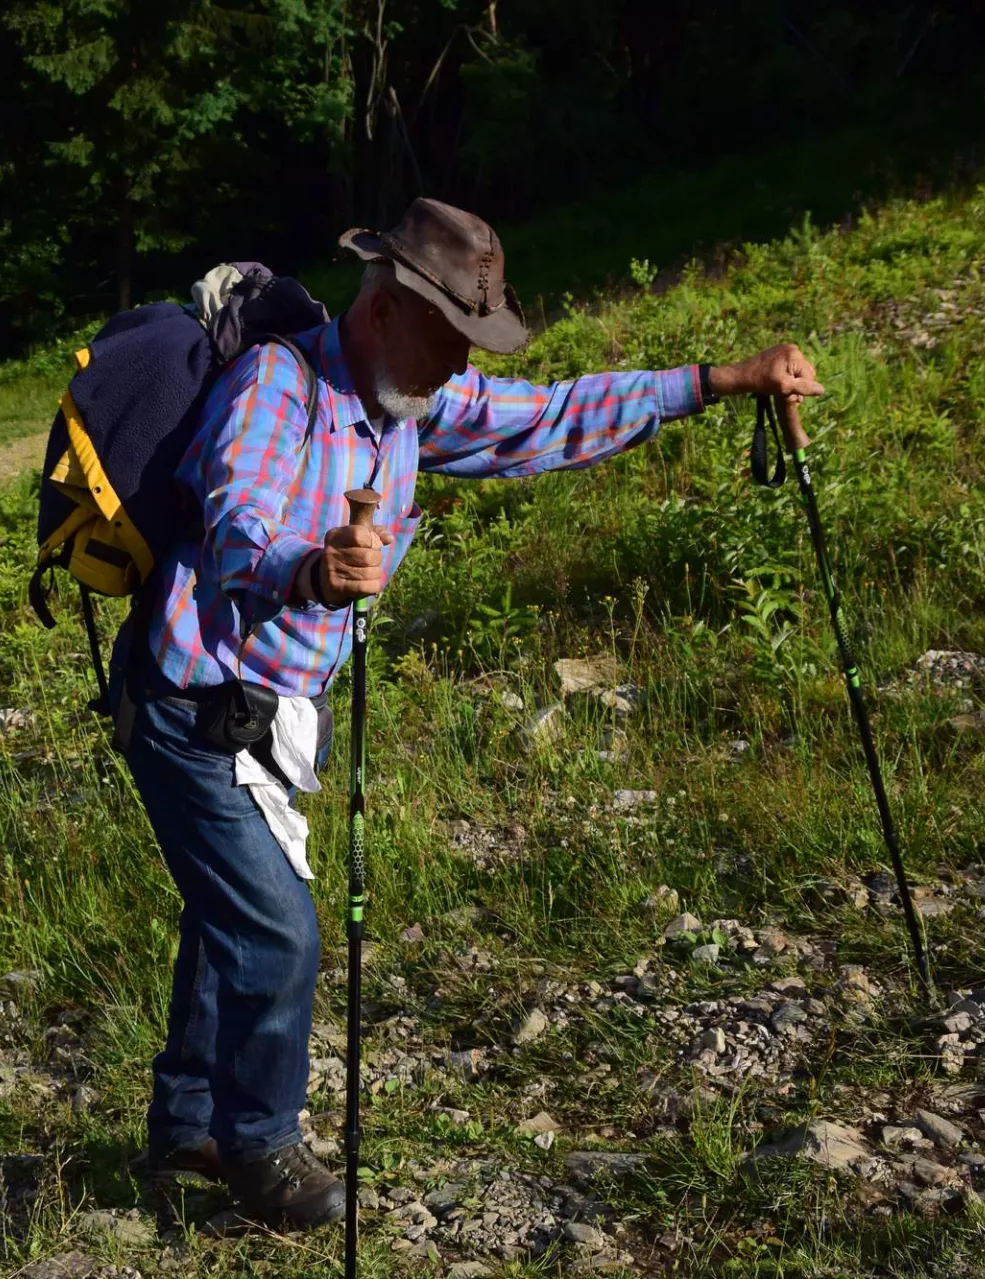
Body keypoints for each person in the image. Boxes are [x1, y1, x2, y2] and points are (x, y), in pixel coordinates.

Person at [119, 198, 823, 1230]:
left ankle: (186, 1124)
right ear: (385, 308)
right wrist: (311, 571)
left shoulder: (417, 402)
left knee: (233, 910)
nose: (460, 364)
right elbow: (236, 533)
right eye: (450, 337)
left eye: (470, 344)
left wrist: (718, 383)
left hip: (262, 710)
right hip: (190, 706)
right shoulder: (277, 389)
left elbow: (549, 417)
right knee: (280, 934)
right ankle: (260, 1145)